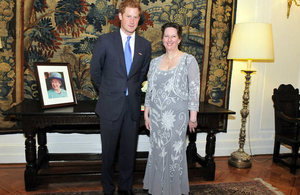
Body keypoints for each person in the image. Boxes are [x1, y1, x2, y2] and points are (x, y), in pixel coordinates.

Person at [90, 0, 151, 194]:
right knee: (108, 153)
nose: (132, 21)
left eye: (136, 16)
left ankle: (125, 189)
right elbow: (95, 72)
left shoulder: (145, 45)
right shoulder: (105, 41)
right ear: (120, 17)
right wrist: (109, 92)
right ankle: (108, 189)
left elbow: (141, 74)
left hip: (131, 108)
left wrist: (128, 90)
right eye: (128, 16)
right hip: (109, 107)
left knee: (128, 153)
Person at [143, 22, 200, 195]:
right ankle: (158, 188)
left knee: (174, 153)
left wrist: (193, 117)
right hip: (157, 116)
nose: (169, 39)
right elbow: (150, 91)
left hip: (177, 117)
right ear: (162, 39)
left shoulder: (188, 60)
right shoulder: (154, 63)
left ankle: (173, 190)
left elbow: (194, 90)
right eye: (166, 36)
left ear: (179, 39)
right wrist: (147, 114)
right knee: (157, 151)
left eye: (173, 36)